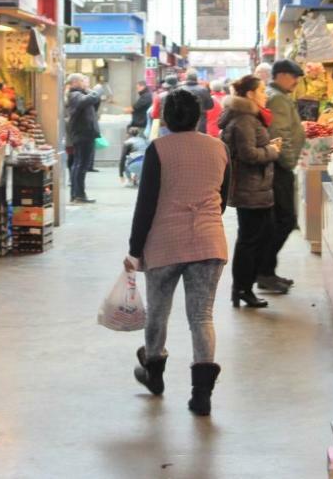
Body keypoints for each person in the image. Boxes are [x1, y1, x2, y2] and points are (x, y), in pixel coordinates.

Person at [125, 89, 231, 416]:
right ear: (199, 116)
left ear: (166, 117)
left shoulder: (159, 149)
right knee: (202, 317)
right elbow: (224, 199)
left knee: (158, 311)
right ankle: (202, 395)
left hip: (164, 242)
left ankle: (153, 374)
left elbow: (147, 204)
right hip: (209, 242)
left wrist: (134, 249)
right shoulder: (220, 148)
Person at [219, 75, 281, 310]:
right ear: (250, 94)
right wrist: (272, 150)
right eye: (262, 90)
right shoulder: (245, 119)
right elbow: (248, 154)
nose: (266, 94)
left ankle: (244, 288)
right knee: (251, 240)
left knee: (256, 237)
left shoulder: (246, 117)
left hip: (254, 188)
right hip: (250, 188)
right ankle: (243, 289)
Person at [264, 60, 306, 293]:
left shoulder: (277, 95)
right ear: (280, 75)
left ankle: (267, 271)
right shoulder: (278, 98)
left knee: (279, 220)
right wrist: (288, 161)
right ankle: (264, 271)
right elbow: (279, 134)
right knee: (285, 219)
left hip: (278, 165)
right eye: (293, 76)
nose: (296, 80)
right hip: (280, 167)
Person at [65, 74, 101, 203]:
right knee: (80, 164)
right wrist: (92, 91)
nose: (85, 83)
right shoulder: (75, 95)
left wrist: (90, 93)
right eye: (82, 81)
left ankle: (77, 194)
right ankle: (78, 194)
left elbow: (95, 102)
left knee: (80, 164)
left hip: (85, 133)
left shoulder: (80, 94)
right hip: (82, 133)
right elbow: (91, 98)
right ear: (74, 82)